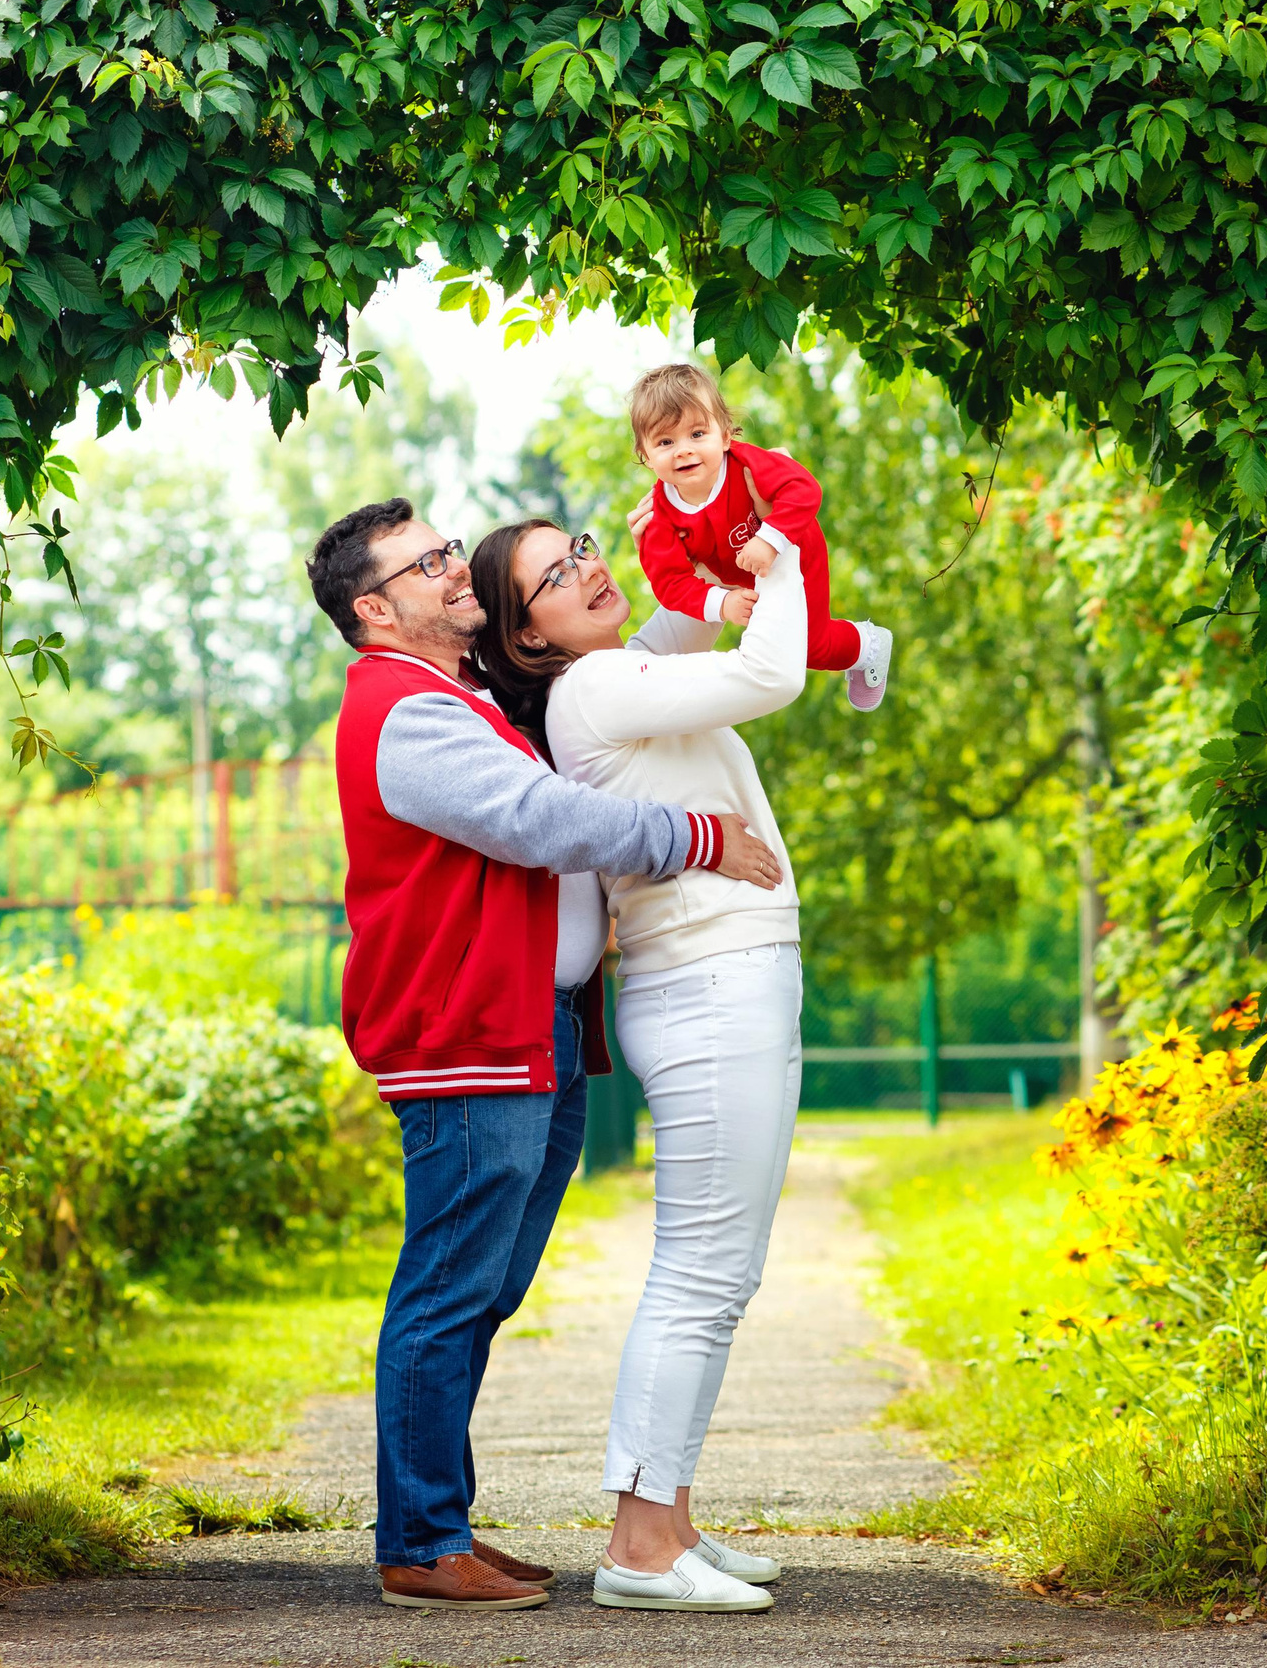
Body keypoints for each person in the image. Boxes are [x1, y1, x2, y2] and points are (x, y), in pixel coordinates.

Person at [307, 496, 785, 1612]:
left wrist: (682, 556)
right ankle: (422, 1543)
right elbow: (537, 820)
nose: (447, 568)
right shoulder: (403, 709)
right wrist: (694, 837)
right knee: (447, 1292)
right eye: (424, 564)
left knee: (481, 1291)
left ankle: (439, 1528)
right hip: (465, 1037)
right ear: (375, 609)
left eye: (442, 549)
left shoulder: (458, 693)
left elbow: (614, 681)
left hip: (531, 1029)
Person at [464, 474, 809, 1614]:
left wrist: (712, 550)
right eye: (552, 579)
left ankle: (671, 1517)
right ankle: (642, 1547)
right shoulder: (600, 686)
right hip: (712, 980)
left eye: (579, 547)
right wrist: (782, 570)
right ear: (527, 634)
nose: (586, 569)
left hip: (716, 972)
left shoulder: (614, 676)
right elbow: (767, 672)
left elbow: (686, 615)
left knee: (720, 1266)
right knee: (702, 1270)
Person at [624, 361, 894, 711]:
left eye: (696, 434)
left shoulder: (744, 464)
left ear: (724, 435)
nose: (683, 450)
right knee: (779, 645)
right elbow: (669, 582)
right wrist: (721, 603)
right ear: (645, 456)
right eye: (665, 441)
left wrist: (770, 539)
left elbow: (803, 487)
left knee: (809, 645)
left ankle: (869, 644)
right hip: (746, 579)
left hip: (794, 545)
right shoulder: (658, 516)